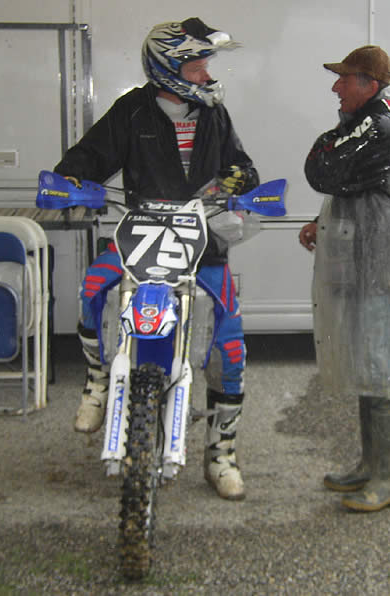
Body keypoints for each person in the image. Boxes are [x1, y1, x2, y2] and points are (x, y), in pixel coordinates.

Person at [53, 17, 259, 500]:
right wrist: (70, 182)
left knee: (230, 348)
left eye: (206, 64)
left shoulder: (214, 114)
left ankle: (221, 453)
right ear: (169, 67)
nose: (206, 74)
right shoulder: (131, 110)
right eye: (197, 66)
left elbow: (241, 166)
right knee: (91, 288)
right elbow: (86, 157)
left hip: (203, 242)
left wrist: (236, 184)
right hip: (139, 238)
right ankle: (98, 380)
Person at [299, 45, 390, 512]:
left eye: (345, 78)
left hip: (389, 267)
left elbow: (324, 170)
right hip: (371, 260)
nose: (336, 87)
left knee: (384, 369)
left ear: (369, 84)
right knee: (367, 364)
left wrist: (329, 146)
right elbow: (355, 186)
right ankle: (370, 465)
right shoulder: (375, 122)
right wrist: (323, 221)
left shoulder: (383, 126)